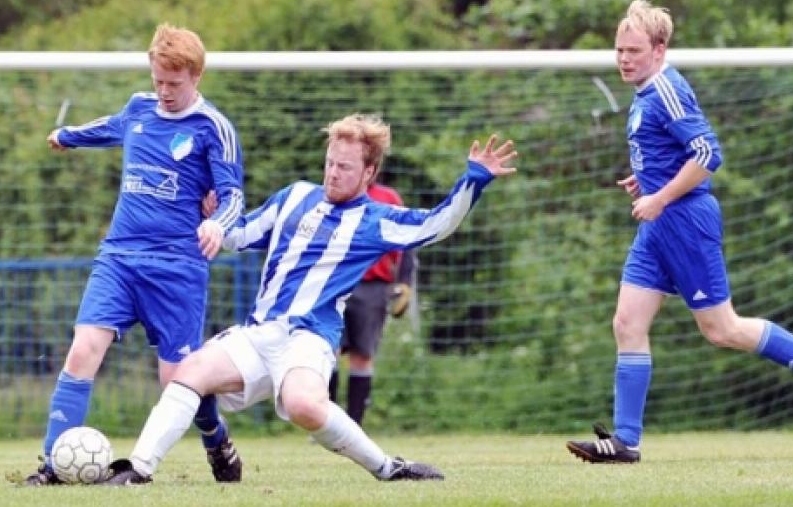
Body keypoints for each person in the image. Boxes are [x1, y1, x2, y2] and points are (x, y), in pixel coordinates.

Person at [101, 114, 517, 485]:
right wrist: (212, 217)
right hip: (258, 332)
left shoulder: (377, 221)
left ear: (369, 172)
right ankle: (137, 470)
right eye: (330, 163)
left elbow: (436, 224)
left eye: (345, 167)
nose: (333, 173)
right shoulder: (293, 196)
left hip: (309, 339)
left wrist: (474, 180)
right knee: (185, 374)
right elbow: (239, 236)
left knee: (303, 405)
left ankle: (389, 468)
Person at [565, 0, 793, 464]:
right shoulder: (644, 94)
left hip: (685, 223)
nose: (623, 58)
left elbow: (708, 153)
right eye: (619, 50)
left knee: (722, 330)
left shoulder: (668, 89)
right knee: (627, 323)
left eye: (633, 50)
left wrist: (660, 196)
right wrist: (648, 181)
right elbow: (677, 154)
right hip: (658, 226)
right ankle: (625, 440)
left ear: (659, 50)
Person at [24, 23, 245, 485]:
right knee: (84, 348)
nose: (163, 91)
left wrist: (216, 224)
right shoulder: (139, 109)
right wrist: (67, 135)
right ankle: (51, 467)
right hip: (120, 257)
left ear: (196, 77)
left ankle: (215, 439)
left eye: (174, 83)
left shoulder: (214, 129)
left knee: (177, 382)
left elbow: (233, 196)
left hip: (177, 267)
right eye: (158, 80)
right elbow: (110, 128)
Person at [328, 177, 418, 426]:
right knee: (327, 351)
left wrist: (405, 282)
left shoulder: (389, 199)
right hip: (334, 283)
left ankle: (353, 426)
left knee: (362, 355)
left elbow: (408, 240)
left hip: (373, 288)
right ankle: (326, 422)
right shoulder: (333, 195)